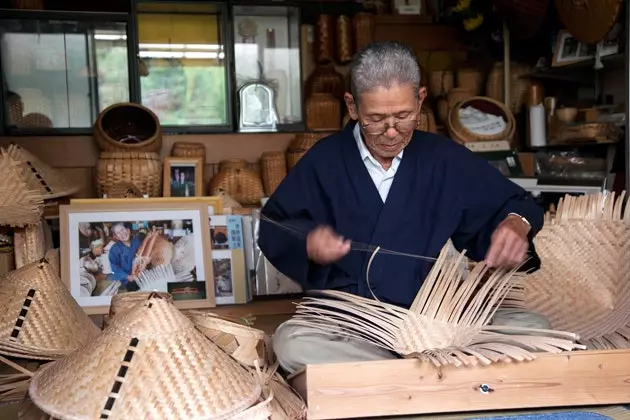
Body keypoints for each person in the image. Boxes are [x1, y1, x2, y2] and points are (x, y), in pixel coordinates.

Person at [258, 41, 549, 375]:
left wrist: (516, 223)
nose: (392, 131)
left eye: (404, 116)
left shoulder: (443, 159)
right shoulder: (325, 160)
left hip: (436, 319)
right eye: (376, 119)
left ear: (421, 99)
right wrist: (307, 240)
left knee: (533, 326)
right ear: (352, 107)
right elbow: (275, 223)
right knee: (292, 343)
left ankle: (403, 375)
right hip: (354, 326)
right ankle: (430, 374)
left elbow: (515, 203)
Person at [108, 222, 145, 292]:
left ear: (128, 230)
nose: (122, 234)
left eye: (122, 230)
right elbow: (115, 268)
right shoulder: (114, 249)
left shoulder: (137, 241)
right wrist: (128, 277)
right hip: (128, 279)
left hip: (142, 274)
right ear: (116, 237)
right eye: (118, 233)